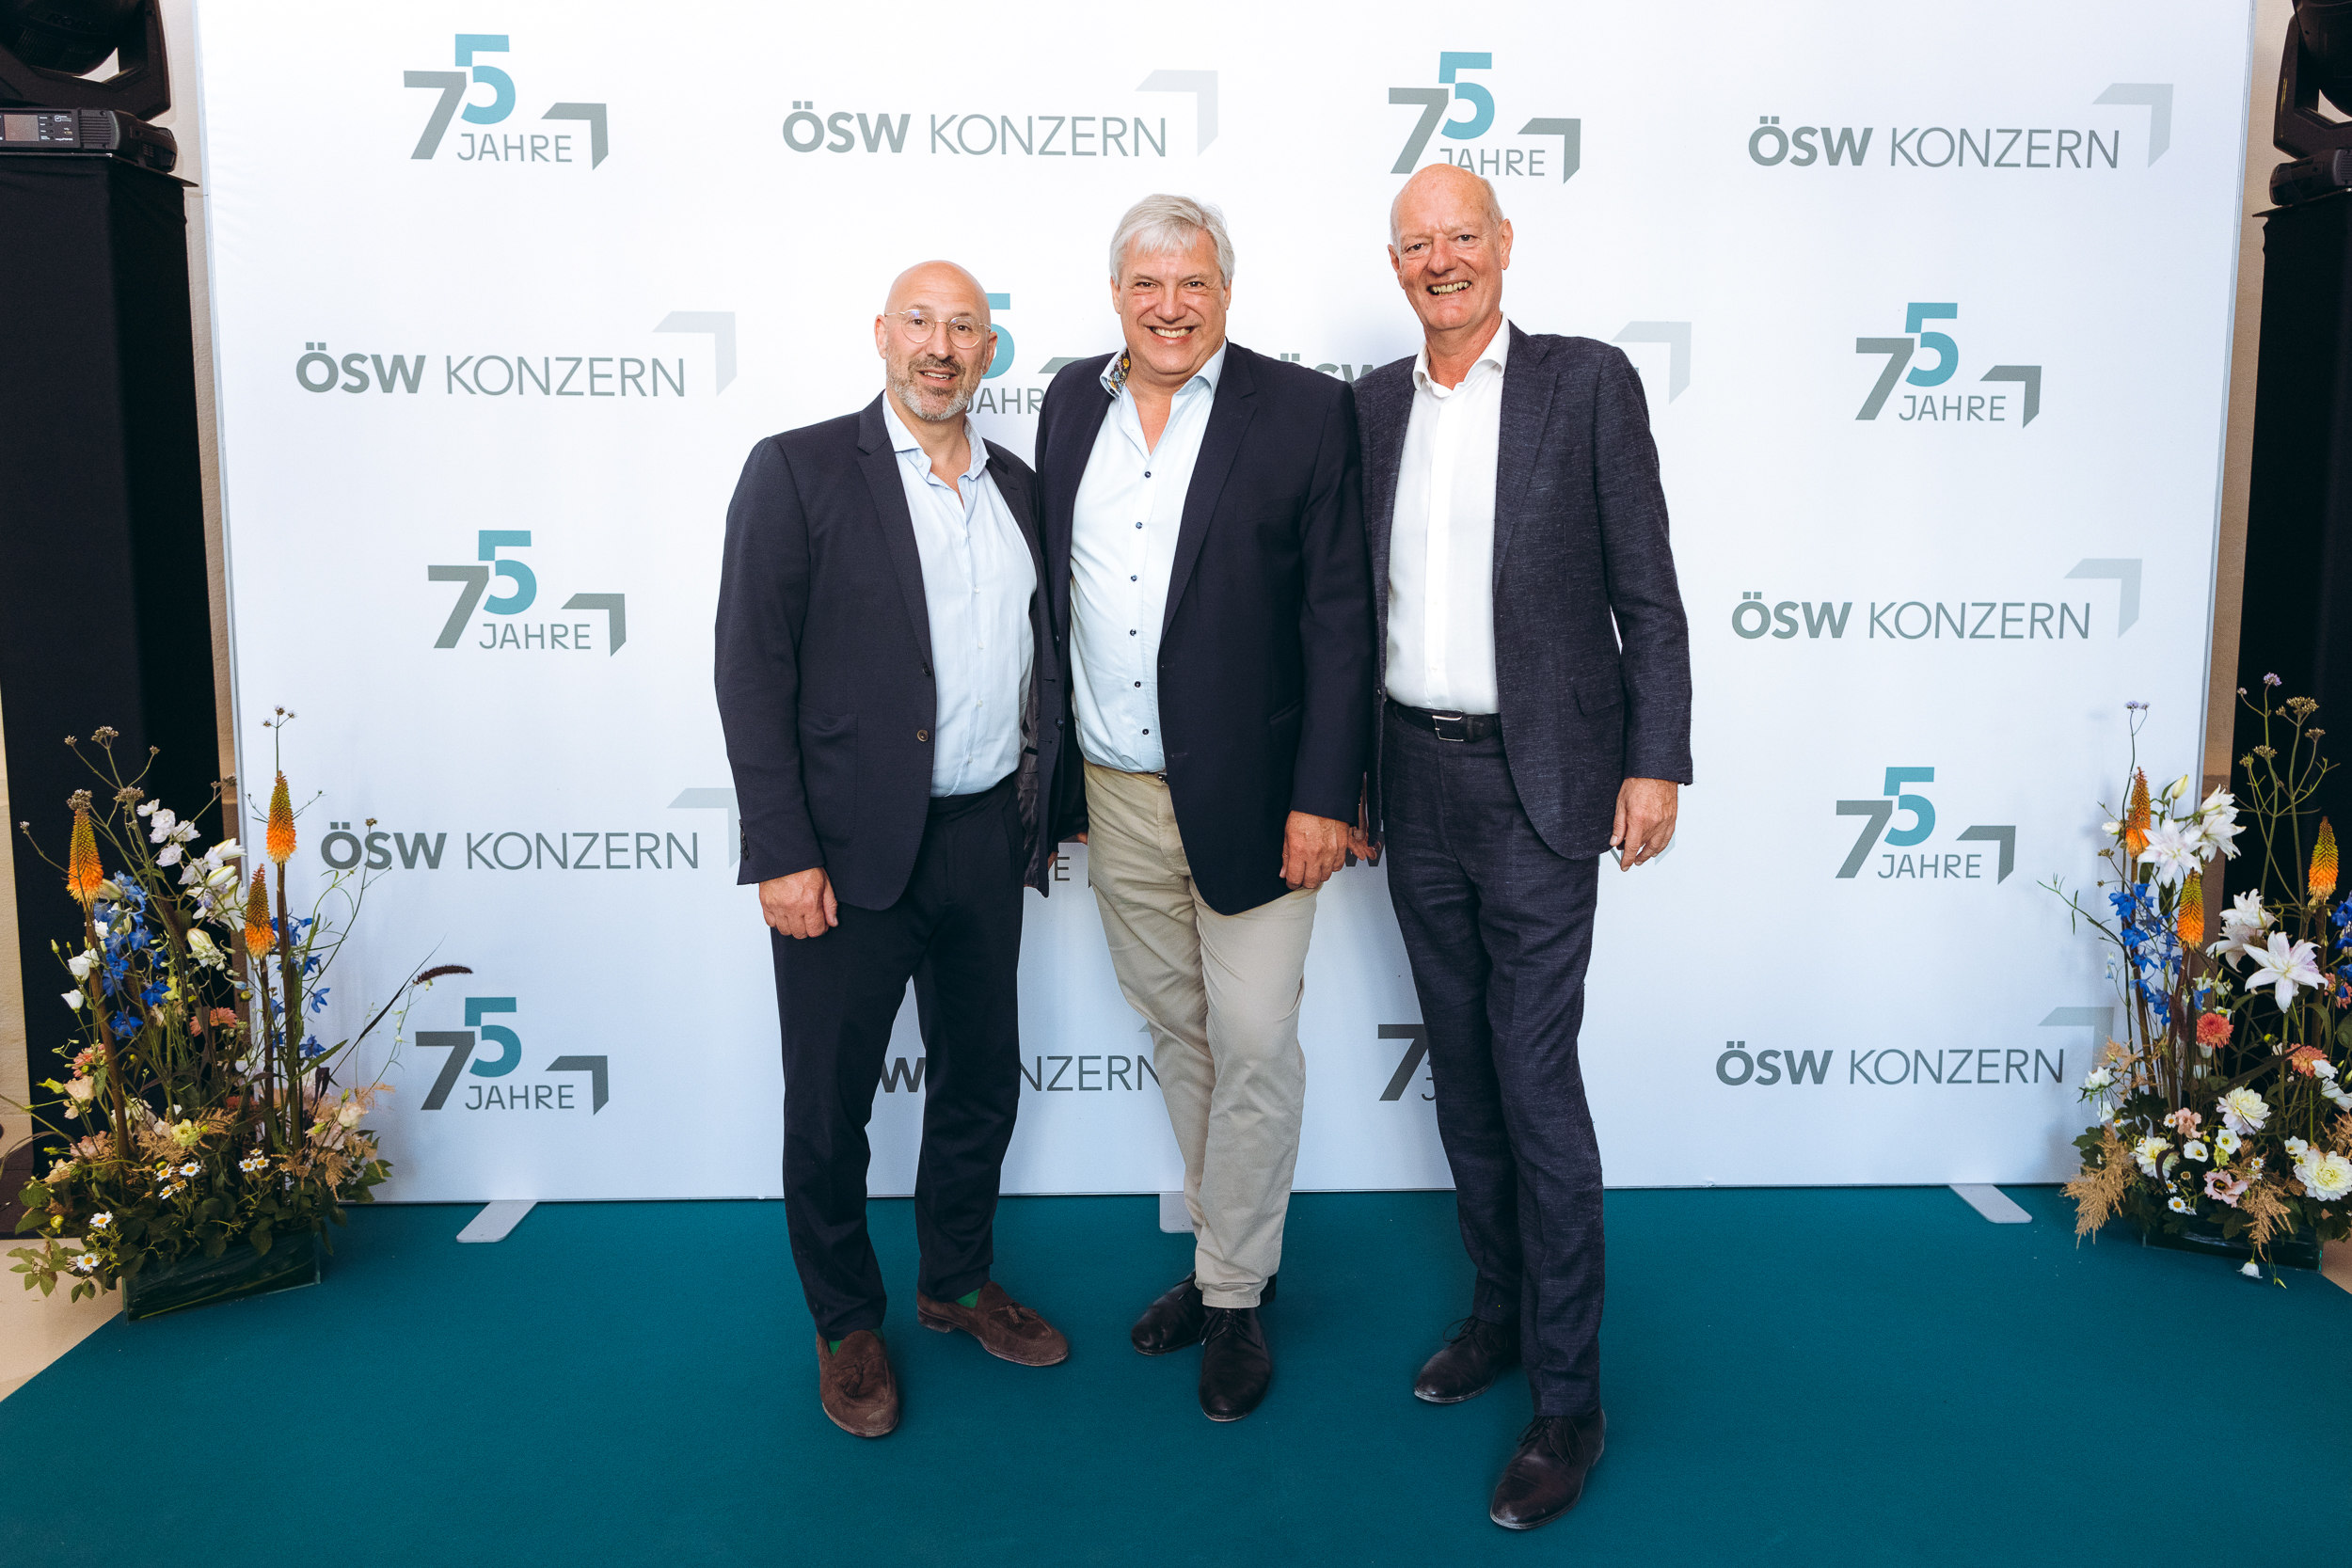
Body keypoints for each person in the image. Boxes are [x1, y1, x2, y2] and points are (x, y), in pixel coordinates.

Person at [1350, 164, 1692, 1528]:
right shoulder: (1370, 406)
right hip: (1409, 778)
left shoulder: (1586, 383)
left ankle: (1568, 1398)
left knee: (1535, 1080)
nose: (1441, 261)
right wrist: (1348, 780)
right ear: (1395, 264)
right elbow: (1349, 611)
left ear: (1504, 244)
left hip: (1544, 783)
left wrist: (1656, 759)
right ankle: (1497, 1311)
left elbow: (1648, 592)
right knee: (1467, 1078)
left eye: (1461, 237)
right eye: (1416, 244)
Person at [714, 260, 1073, 1440]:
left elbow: (1042, 661)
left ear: (988, 351)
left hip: (983, 834)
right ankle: (844, 1321)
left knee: (978, 1079)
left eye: (964, 327)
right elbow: (750, 668)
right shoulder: (799, 469)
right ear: (881, 333)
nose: (940, 345)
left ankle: (955, 1280)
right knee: (829, 1104)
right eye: (920, 321)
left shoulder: (1019, 488)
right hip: (844, 853)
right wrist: (780, 849)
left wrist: (1047, 812)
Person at [1033, 194, 1373, 1422]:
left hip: (1262, 798)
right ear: (1115, 294)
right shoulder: (1069, 402)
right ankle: (1234, 1252)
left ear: (1227, 291)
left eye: (1193, 283)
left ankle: (1231, 1292)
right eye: (1146, 283)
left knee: (1257, 1040)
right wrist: (1059, 784)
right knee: (1182, 1032)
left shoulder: (1304, 410)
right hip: (1115, 793)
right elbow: (1057, 601)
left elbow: (1340, 618)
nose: (1169, 306)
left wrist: (1325, 795)